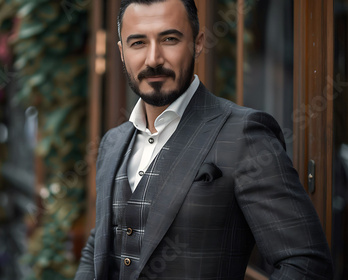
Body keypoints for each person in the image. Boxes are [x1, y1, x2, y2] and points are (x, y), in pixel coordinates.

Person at [75, 0, 334, 279]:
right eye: (138, 43)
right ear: (121, 52)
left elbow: (306, 263)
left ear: (198, 43)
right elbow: (100, 245)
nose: (153, 59)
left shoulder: (245, 135)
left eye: (170, 39)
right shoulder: (113, 143)